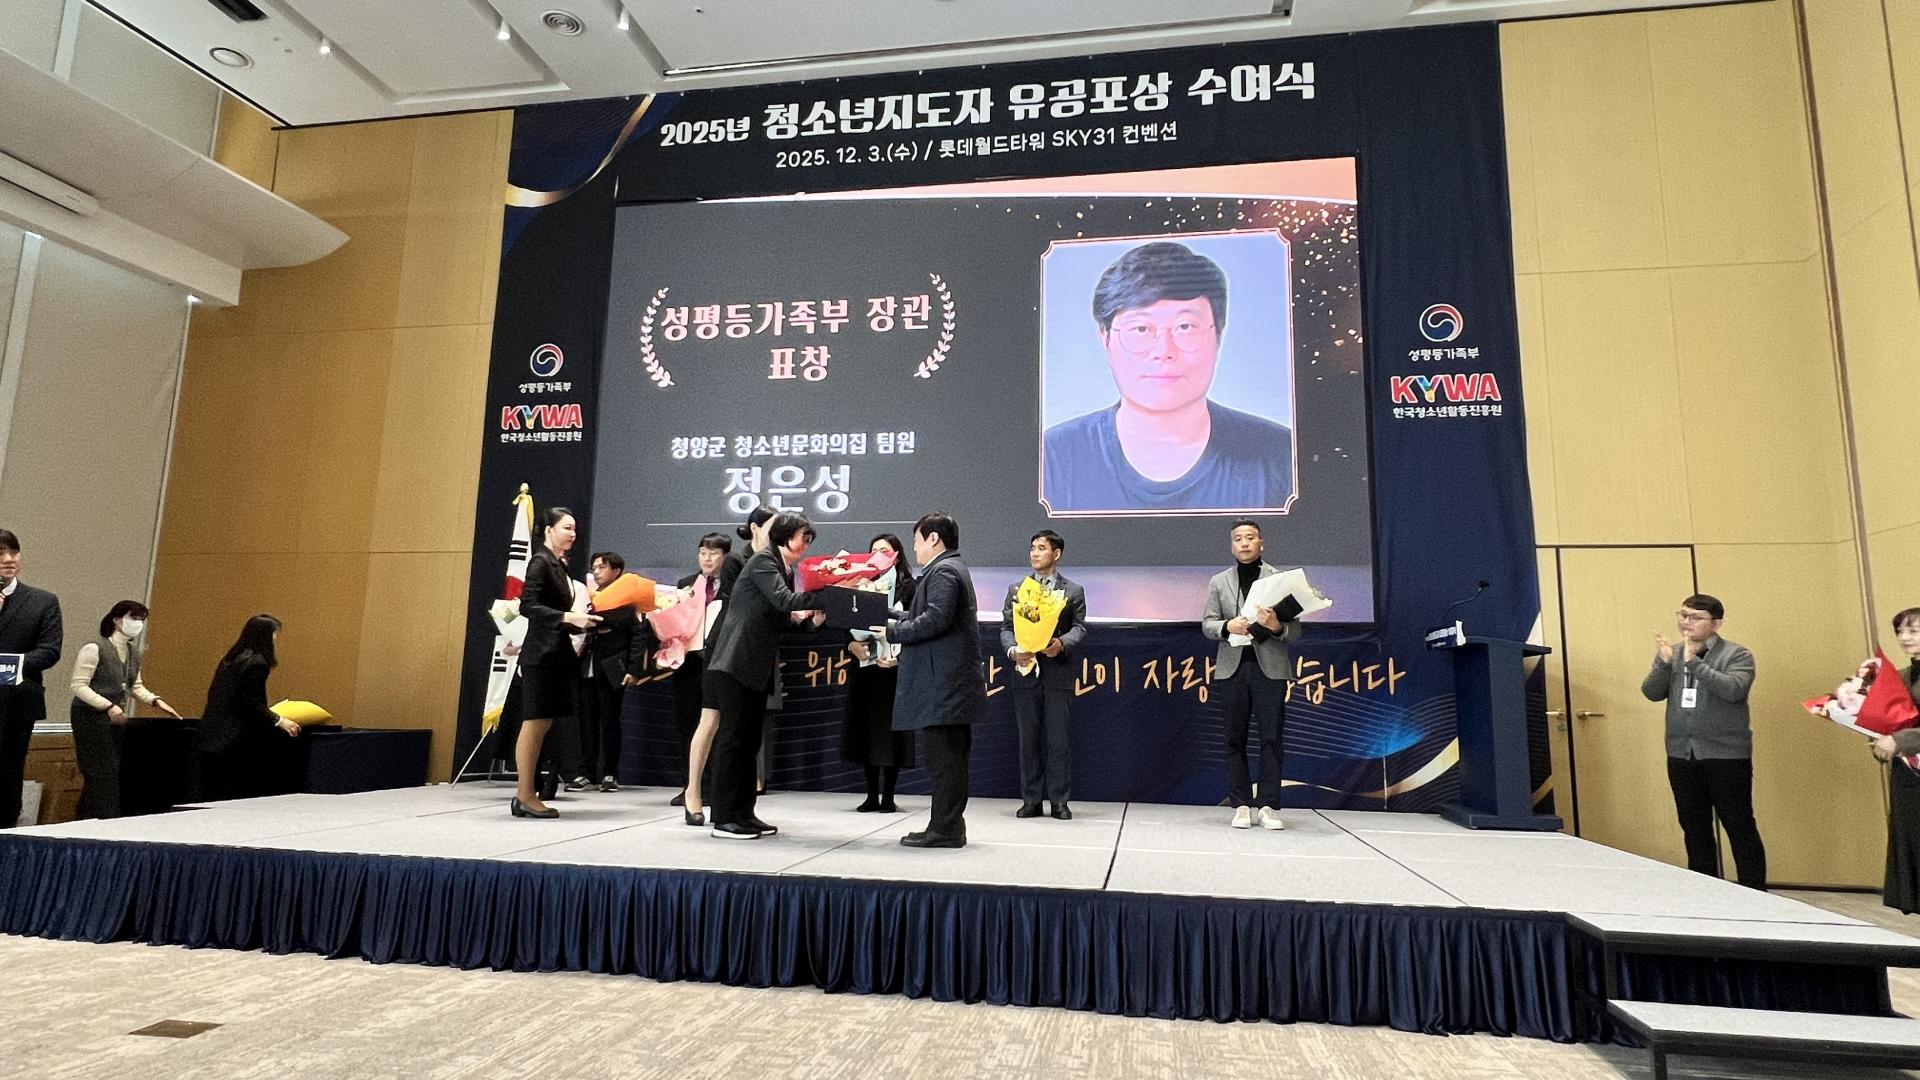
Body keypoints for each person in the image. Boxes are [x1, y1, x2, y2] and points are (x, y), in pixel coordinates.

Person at [1042, 241, 1294, 513]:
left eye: (1185, 327)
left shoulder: (1283, 457)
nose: (1163, 351)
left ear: (1218, 336)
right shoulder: (1052, 460)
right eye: (1140, 329)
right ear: (1105, 339)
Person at [703, 512, 825, 839]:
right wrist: (830, 592)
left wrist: (812, 621)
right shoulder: (763, 561)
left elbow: (782, 620)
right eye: (802, 537)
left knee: (749, 742)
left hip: (756, 666)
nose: (806, 544)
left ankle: (744, 813)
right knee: (733, 741)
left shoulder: (783, 568)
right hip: (736, 662)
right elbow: (784, 601)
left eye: (809, 538)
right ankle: (724, 817)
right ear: (784, 535)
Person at [1641, 594, 1764, 890]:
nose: (1686, 622)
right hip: (1682, 755)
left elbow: (1733, 690)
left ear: (1716, 623)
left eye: (1695, 617)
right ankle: (1705, 889)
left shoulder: (1737, 655)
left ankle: (1755, 892)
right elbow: (1651, 693)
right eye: (1683, 615)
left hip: (1726, 757)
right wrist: (1663, 663)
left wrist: (1694, 663)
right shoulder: (1672, 652)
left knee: (1738, 825)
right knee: (1694, 828)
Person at [882, 512, 986, 849]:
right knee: (946, 760)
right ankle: (945, 825)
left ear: (933, 539)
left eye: (916, 541)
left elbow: (935, 620)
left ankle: (945, 829)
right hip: (947, 686)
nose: (914, 548)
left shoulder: (944, 571)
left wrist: (891, 632)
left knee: (946, 762)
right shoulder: (947, 569)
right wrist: (884, 612)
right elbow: (924, 614)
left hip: (945, 686)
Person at [1200, 519, 1301, 831]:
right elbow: (1207, 624)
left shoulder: (1280, 580)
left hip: (1269, 668)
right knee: (1234, 738)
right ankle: (1241, 804)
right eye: (1238, 539)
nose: (1244, 543)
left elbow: (1295, 631)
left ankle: (1268, 805)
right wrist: (1227, 626)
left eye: (1250, 537)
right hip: (1232, 667)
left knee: (1271, 737)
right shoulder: (1219, 581)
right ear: (1232, 546)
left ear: (1261, 543)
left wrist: (1276, 627)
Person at [510, 507, 601, 819]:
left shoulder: (558, 564)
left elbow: (556, 615)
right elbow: (528, 606)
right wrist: (567, 617)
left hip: (556, 654)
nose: (573, 534)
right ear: (548, 529)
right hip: (541, 655)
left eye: (574, 529)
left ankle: (527, 794)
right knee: (534, 722)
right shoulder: (540, 561)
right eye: (566, 528)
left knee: (544, 723)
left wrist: (581, 624)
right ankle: (524, 794)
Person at [683, 509, 771, 827]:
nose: (708, 558)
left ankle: (738, 803)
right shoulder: (739, 561)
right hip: (721, 650)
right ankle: (693, 792)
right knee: (709, 720)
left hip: (744, 654)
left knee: (734, 727)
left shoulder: (772, 560)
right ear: (756, 528)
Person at [1000, 529, 1087, 820]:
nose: (1035, 553)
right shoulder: (1017, 589)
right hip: (1025, 672)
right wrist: (1013, 650)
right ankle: (1031, 800)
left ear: (1056, 554)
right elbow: (1006, 629)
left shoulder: (1073, 590)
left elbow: (1080, 627)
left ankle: (1059, 801)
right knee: (1028, 740)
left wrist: (1062, 643)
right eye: (1032, 548)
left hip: (1057, 672)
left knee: (1058, 741)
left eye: (1041, 548)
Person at [69, 601, 182, 819]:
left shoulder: (133, 653)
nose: (138, 624)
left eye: (141, 620)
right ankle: (101, 817)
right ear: (116, 619)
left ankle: (89, 816)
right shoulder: (95, 648)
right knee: (100, 771)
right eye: (133, 618)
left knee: (110, 771)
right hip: (89, 716)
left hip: (115, 717)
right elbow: (79, 686)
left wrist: (156, 701)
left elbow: (135, 686)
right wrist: (107, 705)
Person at [840, 533, 917, 813]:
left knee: (890, 733)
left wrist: (900, 658)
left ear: (896, 556)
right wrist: (851, 645)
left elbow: (918, 627)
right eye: (874, 550)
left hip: (893, 671)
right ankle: (871, 794)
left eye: (885, 550)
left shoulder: (910, 587)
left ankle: (889, 796)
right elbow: (844, 621)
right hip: (865, 668)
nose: (878, 555)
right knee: (866, 731)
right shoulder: (860, 583)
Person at [195, 614, 301, 802]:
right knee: (233, 792)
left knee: (212, 791)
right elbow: (251, 703)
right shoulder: (258, 664)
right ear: (265, 635)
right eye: (274, 635)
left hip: (212, 731)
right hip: (234, 736)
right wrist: (278, 720)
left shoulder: (232, 659)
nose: (275, 640)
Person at [0, 530, 62, 829]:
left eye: (14, 552)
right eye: (1, 554)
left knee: (9, 769)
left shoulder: (42, 601)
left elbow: (50, 651)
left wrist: (11, 664)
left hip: (16, 703)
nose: (9, 560)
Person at [670, 533, 730, 812]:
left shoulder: (731, 585)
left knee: (716, 726)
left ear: (726, 557)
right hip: (689, 662)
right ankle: (690, 786)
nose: (707, 558)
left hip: (718, 661)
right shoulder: (686, 584)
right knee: (688, 724)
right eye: (703, 553)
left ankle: (713, 786)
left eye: (713, 553)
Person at [582, 550, 649, 792]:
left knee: (610, 720)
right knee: (586, 721)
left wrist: (633, 669)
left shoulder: (627, 600)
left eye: (602, 567)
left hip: (613, 667)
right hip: (586, 665)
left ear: (616, 571)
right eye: (594, 568)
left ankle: (610, 772)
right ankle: (586, 772)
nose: (596, 572)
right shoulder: (587, 598)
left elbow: (638, 637)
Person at [1870, 607, 1920, 912]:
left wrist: (1900, 740)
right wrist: (1878, 737)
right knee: (1912, 843)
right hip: (1908, 775)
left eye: (1913, 631)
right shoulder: (1900, 677)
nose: (1904, 637)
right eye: (1900, 631)